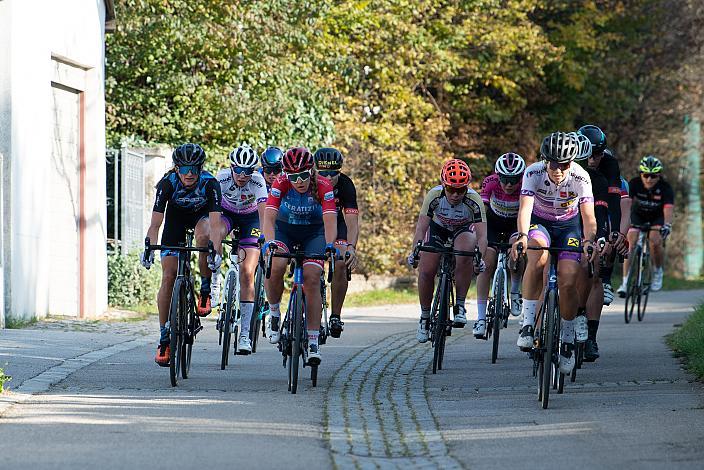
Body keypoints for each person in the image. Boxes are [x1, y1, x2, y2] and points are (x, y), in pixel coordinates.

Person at [511, 131, 597, 375]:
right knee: (537, 254)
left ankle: (567, 342)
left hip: (569, 227)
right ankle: (528, 325)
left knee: (568, 279)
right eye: (553, 163)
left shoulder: (581, 176)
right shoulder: (533, 172)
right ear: (544, 159)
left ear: (572, 163)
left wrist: (589, 241)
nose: (558, 169)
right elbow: (525, 209)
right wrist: (523, 236)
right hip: (540, 223)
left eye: (564, 164)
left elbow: (589, 217)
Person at [141, 143, 223, 366]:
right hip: (175, 222)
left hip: (201, 218)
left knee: (204, 236)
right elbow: (155, 224)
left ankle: (205, 288)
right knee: (168, 277)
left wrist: (215, 251)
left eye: (194, 169)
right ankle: (164, 336)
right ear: (176, 168)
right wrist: (149, 247)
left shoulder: (210, 184)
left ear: (200, 168)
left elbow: (216, 225)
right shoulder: (168, 184)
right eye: (184, 168)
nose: (189, 174)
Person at [262, 146, 338, 365]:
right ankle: (274, 312)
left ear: (312, 171)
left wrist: (331, 244)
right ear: (286, 174)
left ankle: (313, 340)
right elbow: (268, 219)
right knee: (276, 264)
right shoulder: (281, 182)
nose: (299, 181)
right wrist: (269, 243)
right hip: (285, 229)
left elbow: (330, 221)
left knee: (312, 277)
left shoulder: (323, 185)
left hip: (314, 232)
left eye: (304, 175)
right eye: (294, 177)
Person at [409, 159, 487, 343]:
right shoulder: (434, 196)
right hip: (438, 228)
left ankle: (460, 305)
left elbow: (482, 236)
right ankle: (425, 317)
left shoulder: (474, 200)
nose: (455, 195)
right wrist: (415, 252)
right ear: (443, 185)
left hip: (463, 229)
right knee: (427, 270)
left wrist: (479, 258)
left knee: (465, 252)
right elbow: (421, 229)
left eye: (461, 190)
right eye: (451, 189)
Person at [214, 144, 268, 354]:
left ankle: (244, 334)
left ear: (253, 171)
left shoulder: (258, 181)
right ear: (231, 167)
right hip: (227, 214)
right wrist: (215, 241)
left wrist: (264, 237)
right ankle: (216, 278)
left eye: (247, 171)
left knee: (247, 272)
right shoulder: (222, 178)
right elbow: (214, 211)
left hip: (250, 219)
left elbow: (264, 214)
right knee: (215, 232)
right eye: (238, 170)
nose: (242, 176)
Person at [474, 152, 526, 339]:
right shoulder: (490, 182)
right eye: (505, 179)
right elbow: (483, 211)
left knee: (517, 251)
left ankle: (514, 291)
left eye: (514, 180)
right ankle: (480, 318)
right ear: (498, 176)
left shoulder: (525, 184)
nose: (509, 184)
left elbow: (527, 213)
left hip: (515, 224)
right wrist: (480, 236)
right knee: (486, 262)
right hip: (493, 224)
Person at [577, 125, 629, 305]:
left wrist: (615, 233)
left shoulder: (610, 165)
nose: (593, 159)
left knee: (609, 233)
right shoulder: (573, 163)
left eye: (598, 154)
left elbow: (615, 203)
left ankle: (605, 278)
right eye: (589, 155)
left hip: (602, 203)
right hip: (574, 204)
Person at [313, 147, 359, 338]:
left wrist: (351, 247)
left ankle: (335, 315)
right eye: (324, 173)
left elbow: (351, 222)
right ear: (315, 171)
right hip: (312, 224)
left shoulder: (346, 184)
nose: (329, 178)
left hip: (337, 225)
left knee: (340, 261)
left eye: (334, 173)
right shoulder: (308, 183)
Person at [617, 156, 674, 294]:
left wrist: (667, 225)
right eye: (646, 175)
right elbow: (627, 204)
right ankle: (625, 282)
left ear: (658, 175)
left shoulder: (665, 188)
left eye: (653, 176)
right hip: (638, 215)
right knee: (630, 242)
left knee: (655, 240)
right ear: (641, 174)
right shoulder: (635, 183)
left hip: (657, 217)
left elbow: (668, 209)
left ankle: (657, 271)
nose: (649, 179)